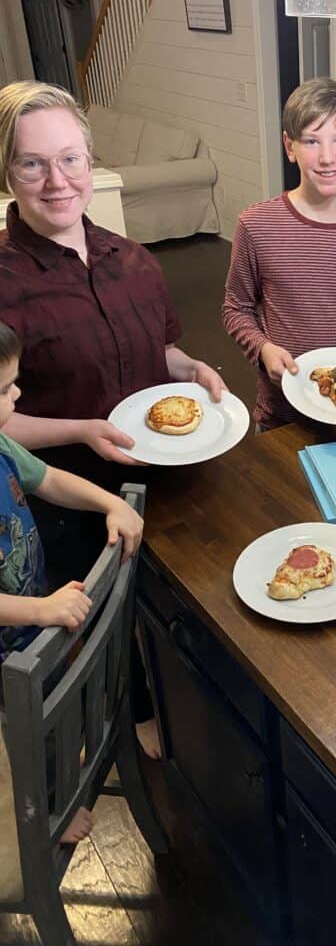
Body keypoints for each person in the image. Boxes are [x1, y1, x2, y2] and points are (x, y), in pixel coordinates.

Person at [0, 79, 225, 756]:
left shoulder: (134, 260)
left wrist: (192, 371)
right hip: (66, 498)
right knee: (102, 621)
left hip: (168, 476)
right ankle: (131, 714)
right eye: (32, 163)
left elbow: (159, 350)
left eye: (71, 158)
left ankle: (184, 694)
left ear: (92, 162)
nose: (57, 181)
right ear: (8, 174)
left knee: (184, 600)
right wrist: (79, 431)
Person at [0, 321, 143, 868]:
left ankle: (55, 782)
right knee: (26, 733)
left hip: (31, 624)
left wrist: (109, 501)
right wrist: (40, 608)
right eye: (6, 388)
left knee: (49, 715)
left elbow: (50, 480)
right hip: (13, 644)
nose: (17, 395)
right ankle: (52, 812)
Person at [222, 77, 336, 429]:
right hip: (283, 415)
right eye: (311, 141)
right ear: (289, 146)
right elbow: (236, 308)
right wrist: (262, 348)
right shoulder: (257, 226)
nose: (326, 157)